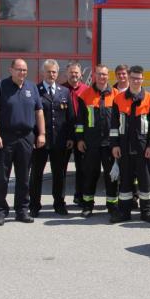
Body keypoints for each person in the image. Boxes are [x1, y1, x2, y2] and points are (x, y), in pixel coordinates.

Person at [0, 59, 46, 225]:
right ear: (11, 70)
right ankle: (0, 211)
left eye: (25, 70)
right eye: (19, 69)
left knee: (23, 177)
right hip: (6, 137)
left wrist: (41, 133)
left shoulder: (31, 87)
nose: (22, 73)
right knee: (2, 176)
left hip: (27, 137)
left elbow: (39, 112)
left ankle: (22, 210)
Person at [110, 66, 150, 223]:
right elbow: (113, 126)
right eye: (133, 78)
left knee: (145, 181)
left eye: (139, 78)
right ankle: (124, 212)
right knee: (125, 180)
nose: (136, 81)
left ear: (143, 79)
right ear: (128, 79)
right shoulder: (118, 99)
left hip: (143, 148)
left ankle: (146, 212)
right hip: (124, 147)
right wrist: (115, 145)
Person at [29, 59, 74, 217]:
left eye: (54, 71)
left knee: (59, 174)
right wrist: (34, 137)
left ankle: (59, 204)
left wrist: (70, 137)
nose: (51, 74)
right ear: (43, 72)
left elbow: (70, 117)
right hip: (40, 141)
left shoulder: (64, 92)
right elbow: (30, 117)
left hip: (59, 141)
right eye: (48, 71)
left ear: (57, 73)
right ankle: (34, 205)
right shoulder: (35, 90)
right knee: (36, 174)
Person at [75, 65, 120, 218]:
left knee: (111, 176)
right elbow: (80, 121)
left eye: (105, 74)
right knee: (90, 174)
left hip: (109, 144)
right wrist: (80, 139)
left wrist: (117, 142)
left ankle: (112, 205)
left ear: (109, 76)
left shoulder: (116, 95)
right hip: (91, 143)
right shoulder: (85, 95)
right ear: (94, 75)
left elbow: (120, 121)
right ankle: (88, 205)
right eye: (99, 74)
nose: (102, 77)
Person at [62, 61, 90, 208]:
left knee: (82, 168)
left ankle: (79, 196)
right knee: (61, 169)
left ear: (81, 74)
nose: (74, 75)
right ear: (66, 74)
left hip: (81, 136)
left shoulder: (87, 91)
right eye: (71, 73)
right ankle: (59, 200)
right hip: (64, 136)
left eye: (76, 73)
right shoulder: (60, 89)